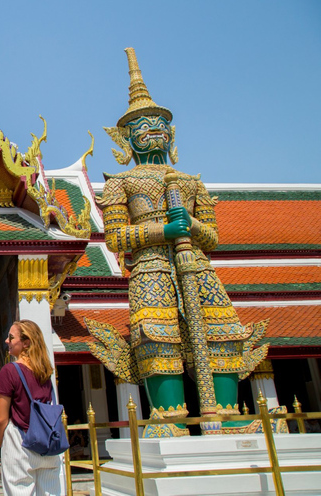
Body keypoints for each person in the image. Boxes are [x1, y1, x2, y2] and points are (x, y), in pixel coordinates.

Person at [91, 47, 267, 433]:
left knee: (221, 334)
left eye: (158, 122)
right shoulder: (121, 183)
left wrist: (187, 223)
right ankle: (169, 414)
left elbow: (213, 237)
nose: (152, 128)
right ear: (128, 138)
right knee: (158, 337)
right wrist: (164, 231)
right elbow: (117, 237)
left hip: (196, 266)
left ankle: (225, 410)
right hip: (151, 267)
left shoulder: (191, 182)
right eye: (142, 124)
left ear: (170, 132)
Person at [0, 319, 62, 496]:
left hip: (20, 441)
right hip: (47, 444)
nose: (6, 341)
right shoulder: (46, 371)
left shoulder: (9, 371)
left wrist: (3, 444)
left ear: (26, 343)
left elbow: (0, 418)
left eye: (11, 337)